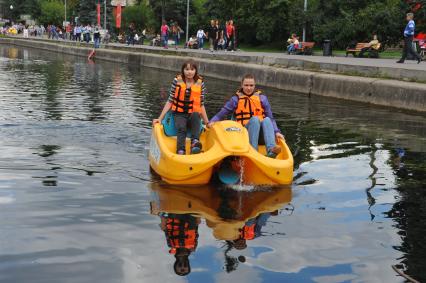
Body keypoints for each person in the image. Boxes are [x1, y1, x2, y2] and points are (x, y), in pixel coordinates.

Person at [209, 74, 284, 158]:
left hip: (261, 136)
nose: (249, 88)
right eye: (246, 85)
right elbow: (221, 113)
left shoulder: (262, 99)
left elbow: (271, 118)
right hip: (244, 135)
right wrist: (211, 122)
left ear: (254, 86)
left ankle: (271, 150)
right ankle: (253, 151)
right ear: (242, 85)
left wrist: (277, 132)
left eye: (251, 85)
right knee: (255, 120)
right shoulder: (235, 99)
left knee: (266, 119)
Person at [153, 60, 209, 155]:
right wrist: (160, 118)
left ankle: (195, 143)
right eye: (186, 69)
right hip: (179, 113)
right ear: (183, 70)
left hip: (193, 113)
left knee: (196, 115)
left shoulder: (200, 83)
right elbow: (170, 100)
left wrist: (207, 122)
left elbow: (201, 104)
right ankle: (181, 150)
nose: (189, 72)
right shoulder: (177, 81)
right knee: (181, 127)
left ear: (195, 71)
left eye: (192, 69)